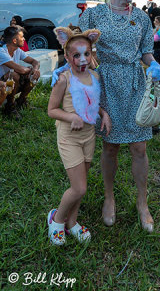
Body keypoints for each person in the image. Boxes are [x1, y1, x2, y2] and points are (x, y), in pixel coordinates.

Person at [52, 0, 160, 233]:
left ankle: (142, 203)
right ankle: (109, 198)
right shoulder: (94, 15)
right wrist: (64, 69)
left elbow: (146, 51)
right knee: (110, 146)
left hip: (135, 83)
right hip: (105, 83)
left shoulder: (142, 18)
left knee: (139, 147)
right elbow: (78, 46)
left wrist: (153, 63)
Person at [47, 25, 111, 246]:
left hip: (88, 136)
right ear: (66, 55)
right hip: (69, 137)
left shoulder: (94, 75)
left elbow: (93, 102)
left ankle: (72, 222)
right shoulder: (64, 79)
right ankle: (56, 220)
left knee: (81, 183)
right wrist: (69, 117)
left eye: (87, 53)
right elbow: (51, 110)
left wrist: (104, 114)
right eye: (77, 55)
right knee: (79, 187)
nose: (83, 59)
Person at [0, 26, 40, 117]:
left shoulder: (17, 50)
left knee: (36, 73)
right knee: (14, 75)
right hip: (2, 85)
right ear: (14, 41)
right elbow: (20, 70)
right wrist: (31, 70)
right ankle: (9, 106)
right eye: (22, 37)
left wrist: (35, 69)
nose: (24, 39)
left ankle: (21, 101)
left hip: (11, 85)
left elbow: (35, 62)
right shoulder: (2, 52)